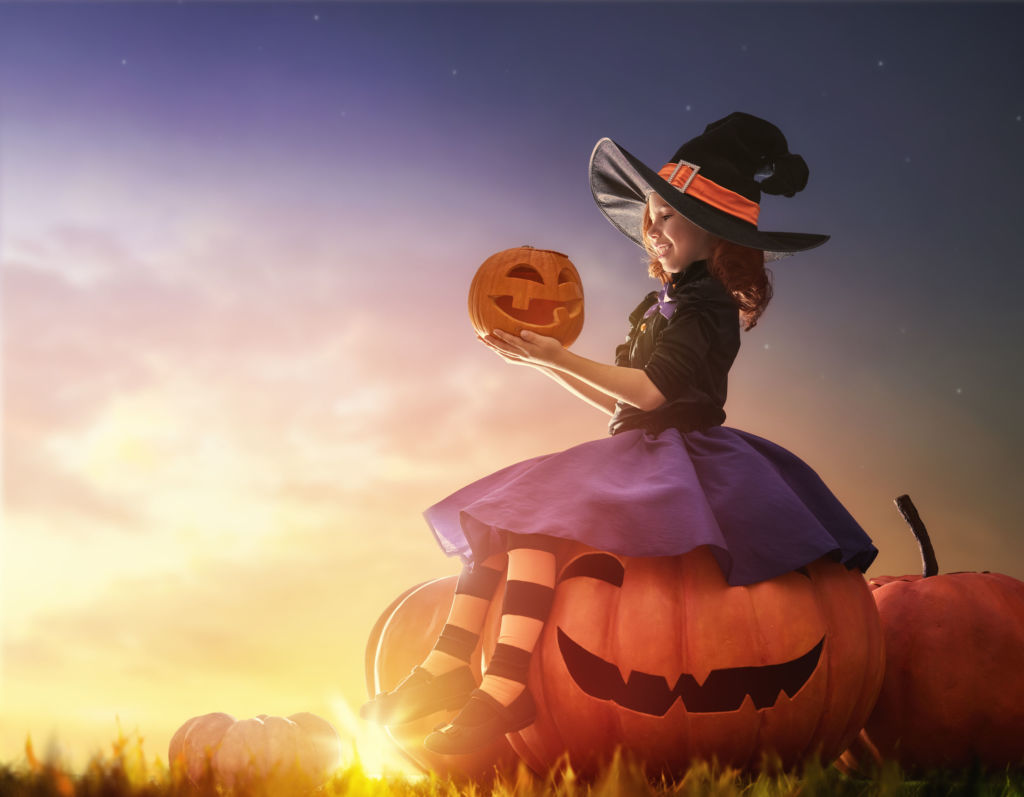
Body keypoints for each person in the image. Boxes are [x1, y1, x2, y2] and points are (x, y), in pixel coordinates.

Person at [361, 112, 877, 755]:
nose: (653, 229)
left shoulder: (703, 303)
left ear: (715, 231)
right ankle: (453, 666)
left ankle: (502, 686)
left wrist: (561, 357)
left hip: (682, 450)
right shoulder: (666, 302)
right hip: (642, 441)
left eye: (669, 216)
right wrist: (546, 361)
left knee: (534, 523)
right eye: (651, 214)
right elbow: (621, 399)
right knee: (507, 527)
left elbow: (652, 391)